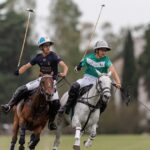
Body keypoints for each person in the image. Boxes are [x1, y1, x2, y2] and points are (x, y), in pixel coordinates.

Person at [1, 36, 68, 130]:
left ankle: (51, 122)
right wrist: (19, 71)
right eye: (45, 46)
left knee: (56, 103)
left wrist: (64, 73)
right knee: (21, 89)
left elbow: (64, 66)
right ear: (41, 47)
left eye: (48, 45)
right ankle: (9, 106)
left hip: (52, 81)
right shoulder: (38, 57)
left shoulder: (54, 56)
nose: (48, 47)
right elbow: (27, 66)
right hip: (41, 80)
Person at [58, 40, 121, 115]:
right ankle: (66, 106)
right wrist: (78, 67)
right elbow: (79, 68)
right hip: (86, 79)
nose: (104, 52)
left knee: (105, 100)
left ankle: (96, 116)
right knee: (74, 86)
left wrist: (118, 82)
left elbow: (113, 71)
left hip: (98, 82)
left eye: (105, 50)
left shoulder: (106, 60)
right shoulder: (89, 57)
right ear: (97, 50)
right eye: (102, 50)